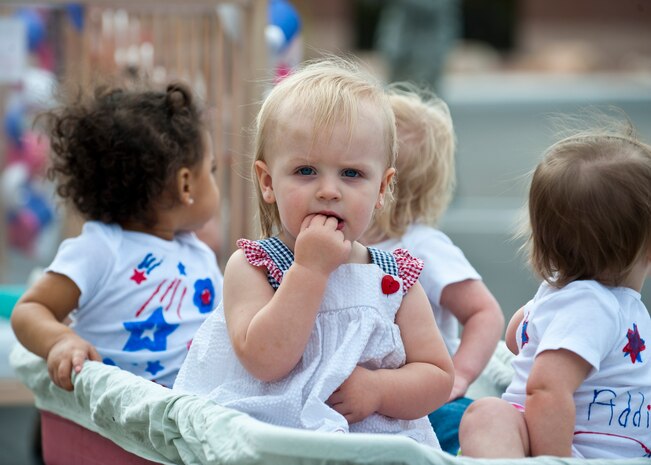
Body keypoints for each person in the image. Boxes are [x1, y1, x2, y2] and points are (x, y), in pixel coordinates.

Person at [174, 58, 454, 446]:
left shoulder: (393, 280)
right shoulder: (256, 266)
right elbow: (265, 360)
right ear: (268, 182)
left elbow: (438, 375)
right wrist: (309, 271)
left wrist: (379, 388)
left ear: (383, 188)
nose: (328, 190)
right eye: (306, 171)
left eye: (352, 174)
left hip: (371, 446)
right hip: (276, 440)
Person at [458, 116, 651, 458]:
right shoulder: (591, 306)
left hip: (621, 452)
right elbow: (547, 389)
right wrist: (556, 459)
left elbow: (516, 336)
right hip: (563, 450)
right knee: (487, 416)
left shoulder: (582, 301)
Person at [11, 81, 223, 391]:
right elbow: (30, 309)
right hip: (115, 425)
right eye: (212, 170)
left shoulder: (200, 256)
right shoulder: (101, 248)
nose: (214, 180)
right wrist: (61, 341)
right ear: (186, 185)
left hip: (185, 423)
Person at [361, 84, 503, 454]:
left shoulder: (422, 245)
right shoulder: (340, 241)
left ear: (386, 182)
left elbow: (484, 312)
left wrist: (460, 375)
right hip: (365, 400)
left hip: (425, 399)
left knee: (467, 426)